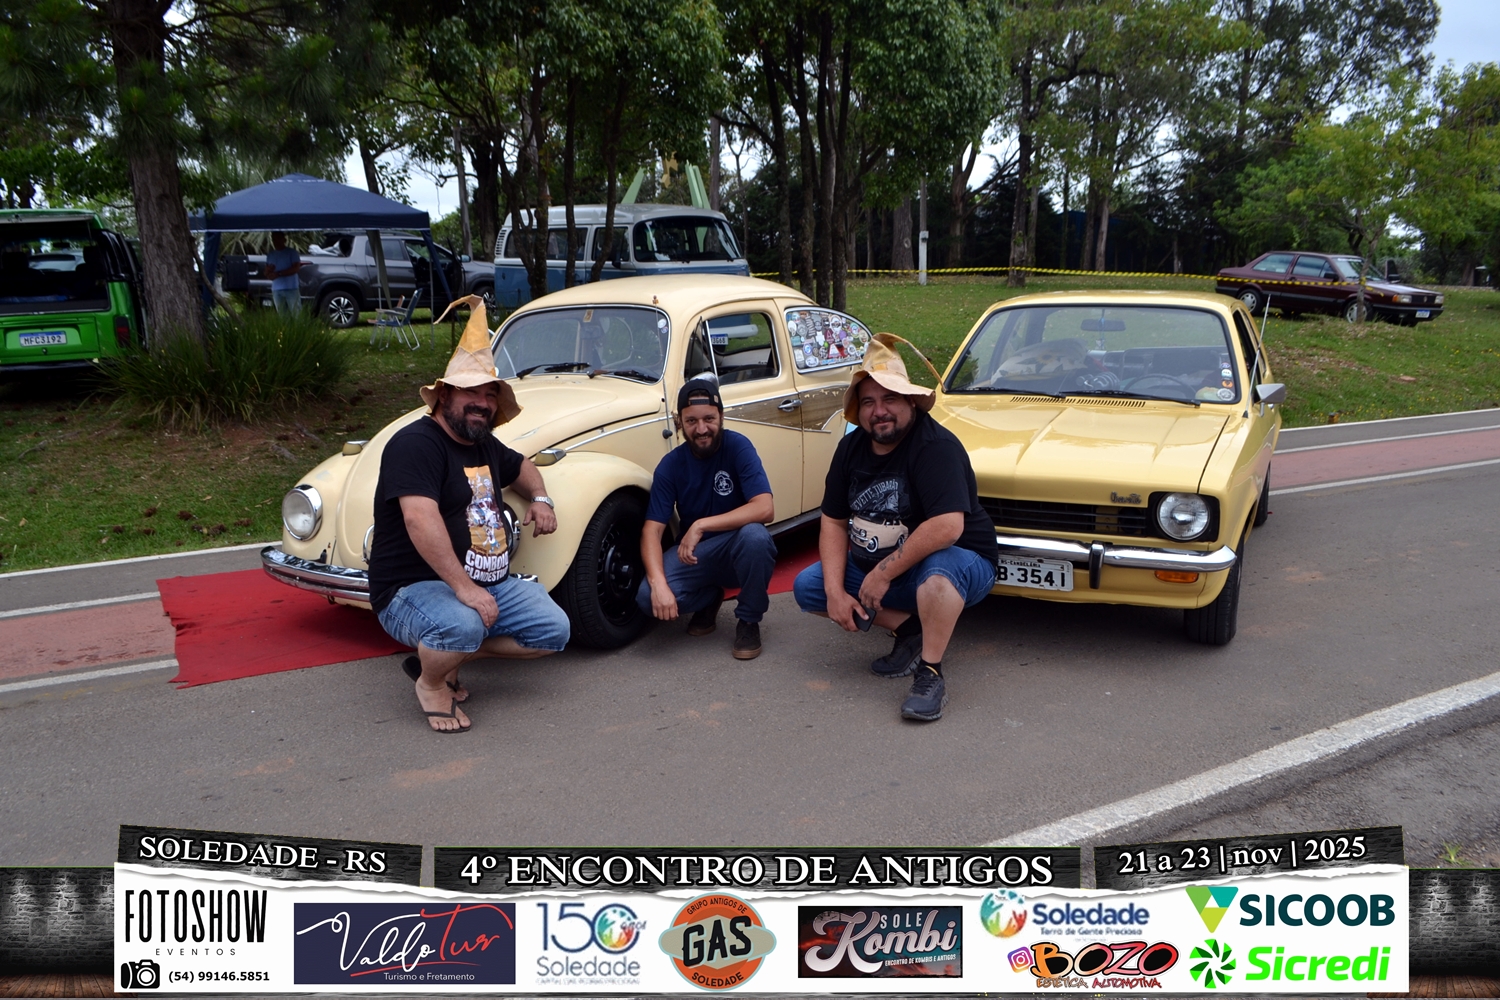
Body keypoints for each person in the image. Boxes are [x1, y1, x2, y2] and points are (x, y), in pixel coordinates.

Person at [368, 296, 570, 733]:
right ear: (444, 395)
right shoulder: (415, 444)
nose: (482, 402)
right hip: (412, 587)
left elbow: (522, 466)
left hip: (489, 582)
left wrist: (540, 497)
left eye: (489, 394)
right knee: (463, 624)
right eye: (471, 392)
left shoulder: (483, 443)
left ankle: (446, 657)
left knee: (554, 631)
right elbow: (419, 519)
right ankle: (432, 682)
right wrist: (465, 590)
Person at [792, 334, 998, 722]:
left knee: (938, 577)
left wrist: (882, 574)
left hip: (959, 564)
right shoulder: (850, 449)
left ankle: (930, 673)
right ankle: (910, 632)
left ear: (910, 402)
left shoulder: (935, 447)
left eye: (889, 398)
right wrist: (835, 592)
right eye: (868, 402)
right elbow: (833, 520)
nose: (879, 411)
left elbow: (948, 527)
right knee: (810, 587)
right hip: (885, 570)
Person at [637, 378, 777, 659]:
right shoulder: (670, 465)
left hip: (738, 549)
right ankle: (709, 598)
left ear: (721, 416)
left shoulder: (738, 446)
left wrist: (701, 525)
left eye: (709, 419)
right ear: (679, 422)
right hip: (695, 557)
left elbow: (765, 508)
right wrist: (658, 584)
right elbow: (651, 531)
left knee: (756, 537)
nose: (701, 429)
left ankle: (749, 620)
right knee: (646, 597)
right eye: (691, 421)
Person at [264, 232, 304, 315]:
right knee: (282, 315)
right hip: (276, 289)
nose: (276, 242)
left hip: (291, 288)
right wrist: (268, 272)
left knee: (296, 314)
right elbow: (267, 272)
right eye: (274, 239)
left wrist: (279, 274)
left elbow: (296, 268)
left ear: (284, 240)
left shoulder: (292, 253)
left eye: (278, 239)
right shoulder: (271, 255)